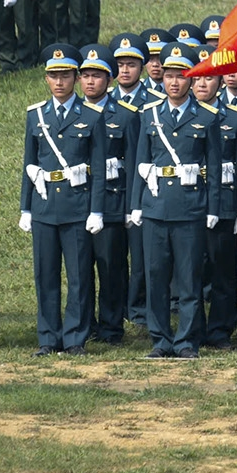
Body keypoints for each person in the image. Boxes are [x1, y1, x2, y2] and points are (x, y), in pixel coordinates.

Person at [129, 42, 223, 359]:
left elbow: (214, 167)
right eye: (169, 75)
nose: (174, 82)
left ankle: (186, 340)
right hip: (155, 207)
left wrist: (213, 208)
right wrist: (136, 205)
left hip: (190, 208)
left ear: (192, 79)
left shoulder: (206, 117)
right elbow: (140, 164)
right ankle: (160, 339)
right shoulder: (149, 115)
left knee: (189, 280)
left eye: (181, 76)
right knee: (156, 277)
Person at [20, 43, 106, 356]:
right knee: (46, 276)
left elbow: (98, 168)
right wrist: (25, 207)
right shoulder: (36, 116)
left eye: (66, 75)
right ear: (46, 79)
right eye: (54, 76)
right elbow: (29, 165)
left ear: (76, 78)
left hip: (77, 207)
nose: (59, 82)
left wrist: (96, 210)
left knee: (80, 277)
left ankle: (74, 338)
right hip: (44, 207)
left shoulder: (91, 116)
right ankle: (48, 337)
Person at [75, 42, 139, 346]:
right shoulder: (72, 112)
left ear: (109, 79)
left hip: (113, 200)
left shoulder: (125, 115)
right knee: (79, 268)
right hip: (77, 200)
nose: (90, 81)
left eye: (97, 76)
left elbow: (134, 161)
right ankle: (83, 323)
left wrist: (130, 206)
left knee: (111, 266)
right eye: (85, 75)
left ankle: (112, 326)